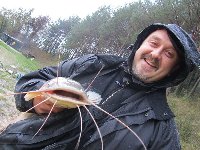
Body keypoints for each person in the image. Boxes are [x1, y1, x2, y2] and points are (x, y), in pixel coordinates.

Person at [0, 23, 200, 150]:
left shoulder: (162, 130)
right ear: (140, 44)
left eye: (169, 54)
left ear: (174, 70)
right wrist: (36, 99)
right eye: (154, 43)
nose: (155, 54)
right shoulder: (94, 64)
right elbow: (28, 81)